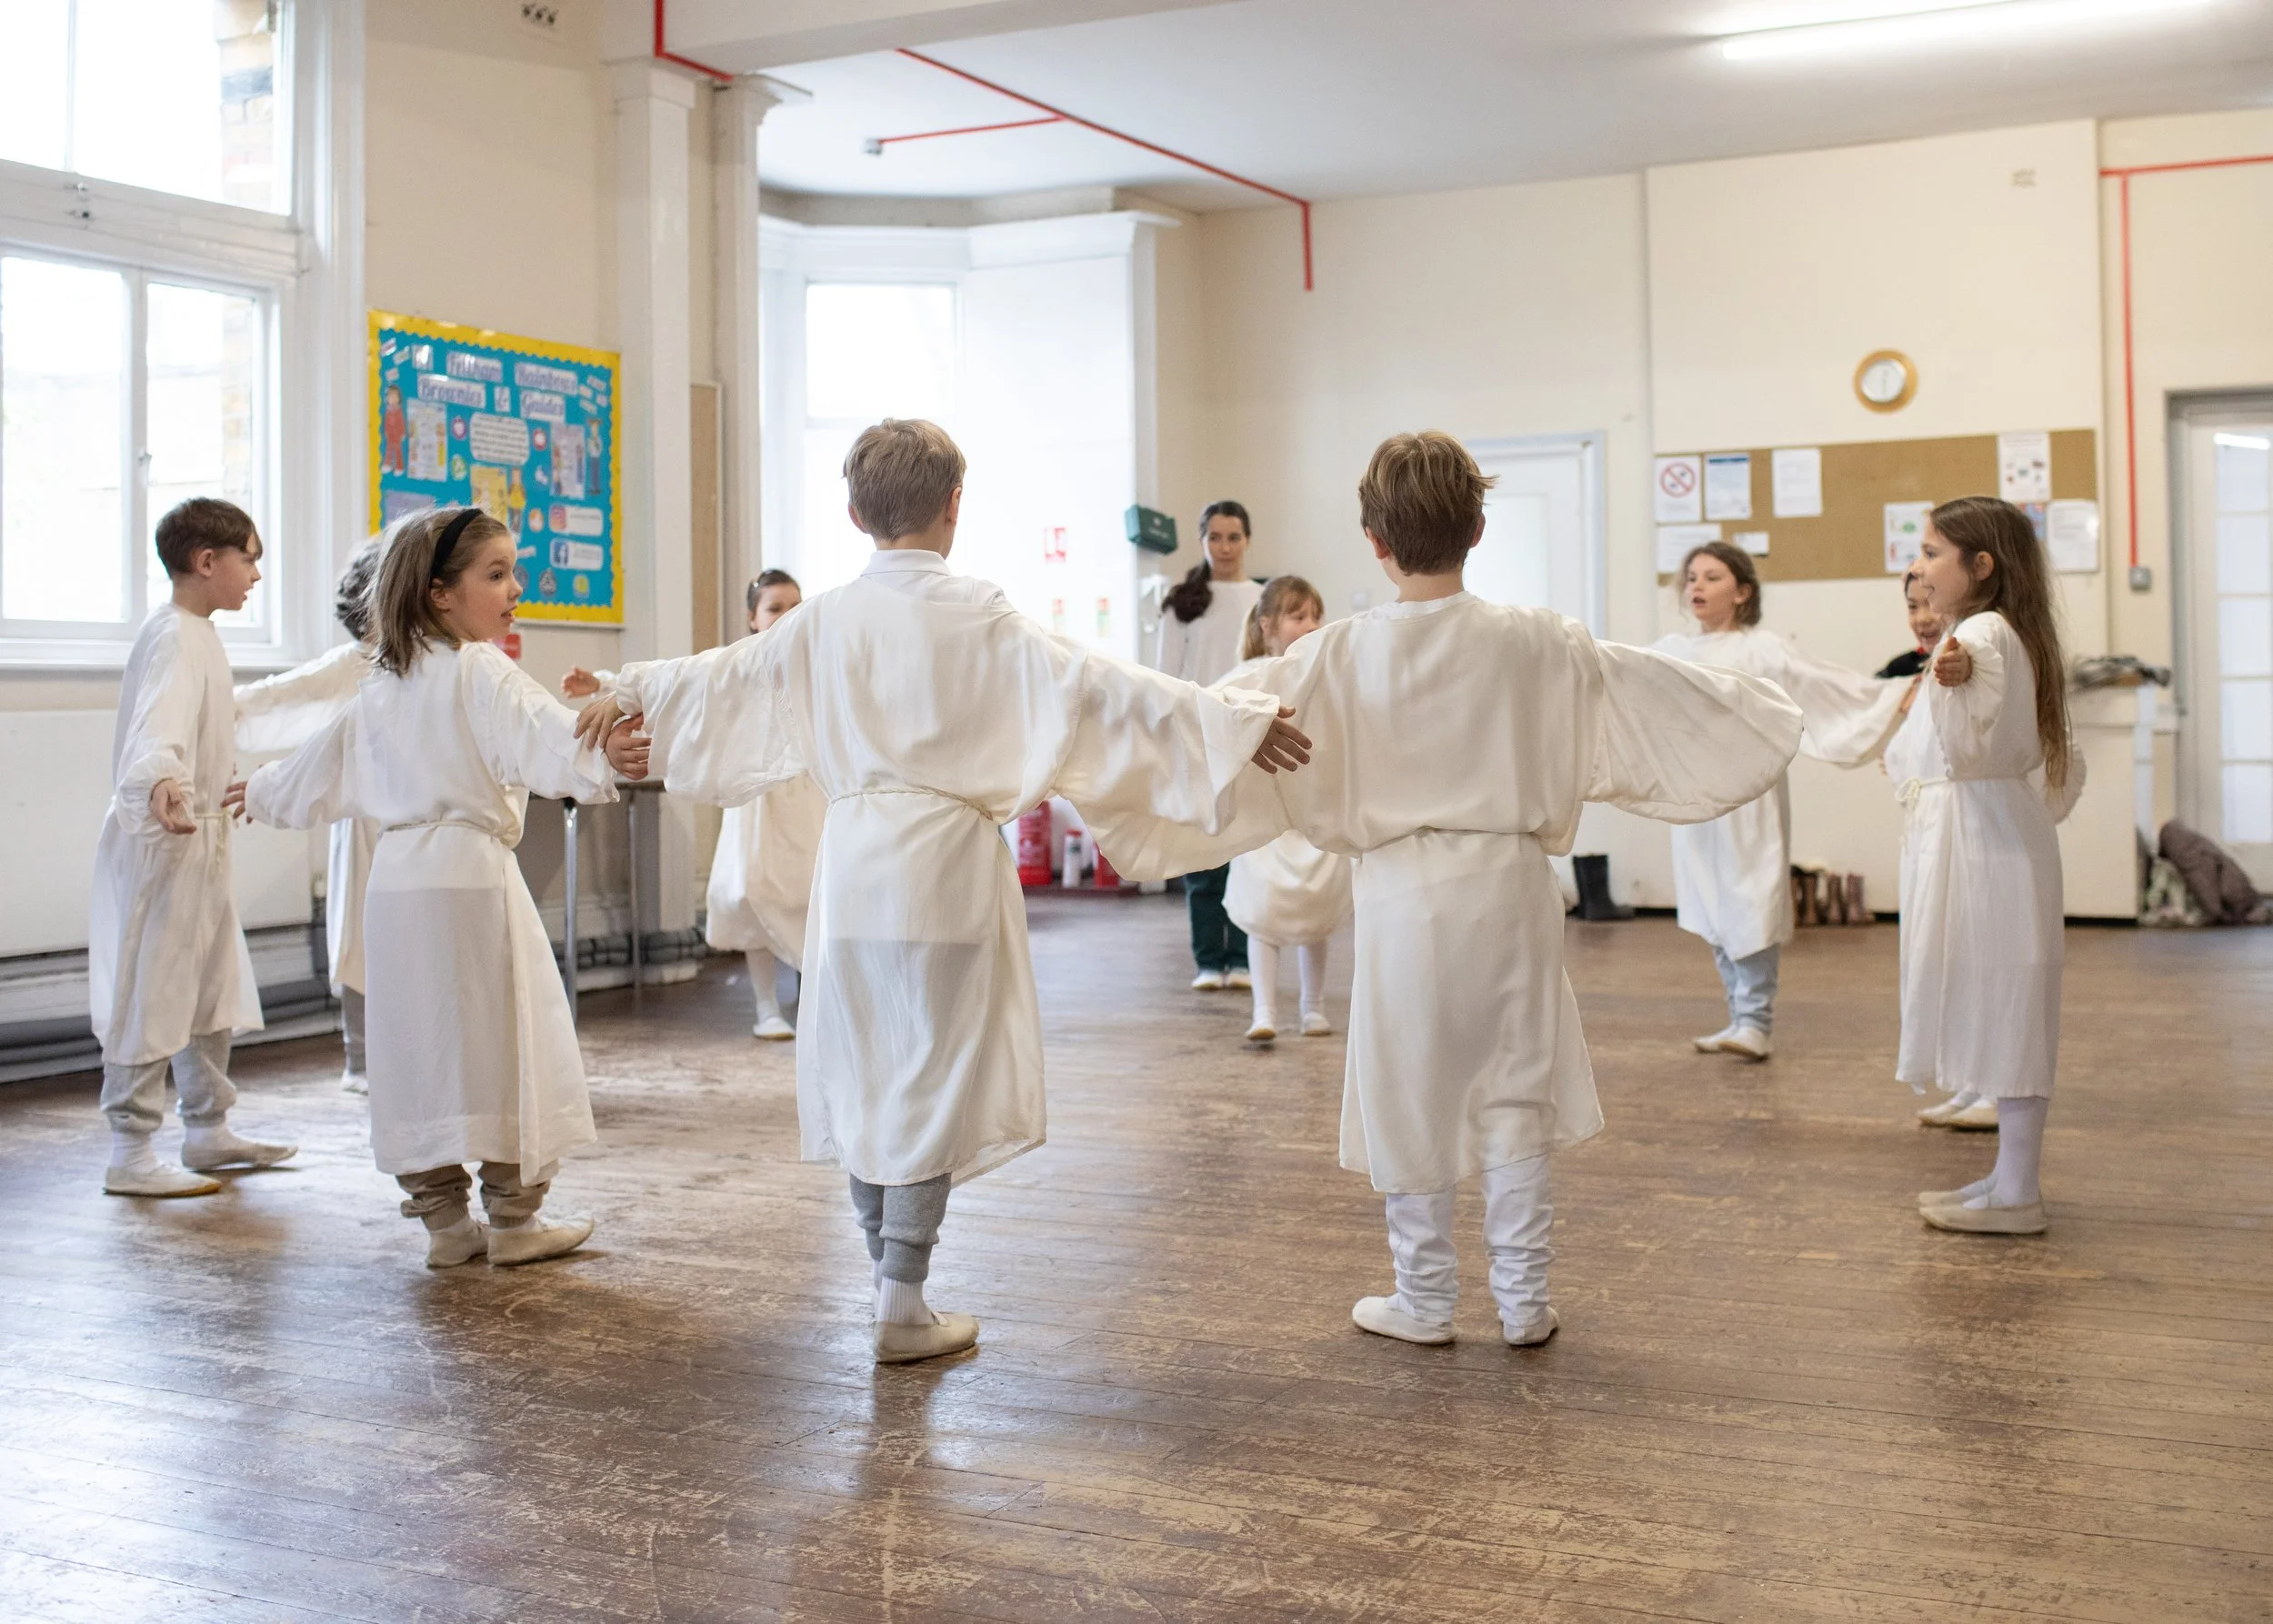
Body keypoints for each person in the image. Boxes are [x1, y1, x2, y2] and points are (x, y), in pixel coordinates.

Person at [576, 419, 1307, 1363]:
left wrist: (627, 688)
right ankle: (901, 1293)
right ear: (956, 507)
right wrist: (1230, 720)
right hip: (951, 868)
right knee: (930, 1072)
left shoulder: (821, 620)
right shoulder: (985, 615)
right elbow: (1113, 690)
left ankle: (891, 1280)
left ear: (852, 513)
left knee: (862, 1067)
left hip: (854, 866)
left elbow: (717, 676)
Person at [1092, 433, 1802, 1348]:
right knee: (1514, 1087)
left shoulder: (1331, 655)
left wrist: (1221, 732)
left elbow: (1205, 712)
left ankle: (1424, 1298)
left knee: (1409, 1087)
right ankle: (1523, 1300)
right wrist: (1773, 718)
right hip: (1511, 888)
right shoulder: (1540, 640)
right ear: (1476, 525)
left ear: (1371, 539)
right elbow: (1659, 694)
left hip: (1402, 894)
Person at [242, 506, 615, 1268]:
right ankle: (515, 1220)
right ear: (441, 593)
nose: (517, 588)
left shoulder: (383, 683)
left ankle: (445, 1225)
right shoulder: (480, 668)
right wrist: (616, 746)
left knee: (418, 1050)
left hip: (399, 884)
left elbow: (315, 773)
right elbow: (553, 742)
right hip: (472, 880)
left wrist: (255, 791)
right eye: (497, 573)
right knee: (509, 1040)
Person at [90, 497, 297, 1198]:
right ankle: (131, 1149)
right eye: (249, 559)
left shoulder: (200, 633)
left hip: (199, 839)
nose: (256, 577)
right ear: (207, 561)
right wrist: (164, 785)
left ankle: (207, 1127)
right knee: (155, 985)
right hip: (167, 841)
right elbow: (157, 727)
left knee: (210, 984)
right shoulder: (174, 636)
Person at [1899, 496, 2083, 1236]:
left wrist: (1959, 675)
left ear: (1981, 566)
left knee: (2007, 1003)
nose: (1918, 565)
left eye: (1933, 552)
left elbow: (1973, 734)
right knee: (2001, 1000)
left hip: (1987, 840)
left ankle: (2020, 1194)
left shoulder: (1980, 632)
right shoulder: (1996, 629)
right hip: (1991, 832)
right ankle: (2010, 1179)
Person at [1652, 542, 1908, 1062]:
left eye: (1714, 577)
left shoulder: (1761, 649)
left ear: (1743, 591)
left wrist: (1889, 696)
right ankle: (1737, 1016)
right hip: (1696, 795)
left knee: (1751, 896)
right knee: (1710, 899)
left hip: (1750, 793)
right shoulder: (1669, 650)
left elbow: (1824, 687)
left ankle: (1755, 1021)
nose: (1697, 586)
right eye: (1693, 577)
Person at [563, 571, 825, 1041]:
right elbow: (686, 681)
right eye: (775, 608)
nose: (787, 616)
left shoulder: (811, 660)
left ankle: (813, 999)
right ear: (752, 617)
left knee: (809, 894)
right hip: (759, 803)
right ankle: (766, 1005)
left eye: (794, 605)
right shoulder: (741, 664)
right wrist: (609, 684)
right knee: (752, 891)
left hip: (807, 799)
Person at [234, 536, 384, 1093]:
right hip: (367, 825)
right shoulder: (356, 664)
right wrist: (214, 710)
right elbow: (284, 698)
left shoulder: (448, 664)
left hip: (420, 830)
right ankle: (363, 1058)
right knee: (361, 937)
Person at [1216, 575, 1349, 1042]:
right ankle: (1265, 1010)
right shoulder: (1248, 676)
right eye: (1299, 616)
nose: (1311, 625)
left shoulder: (1326, 674)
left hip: (1312, 811)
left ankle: (1313, 1007)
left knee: (1315, 913)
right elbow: (1213, 713)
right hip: (1265, 817)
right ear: (1268, 624)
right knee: (1263, 912)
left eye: (1316, 616)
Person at [1881, 574, 1994, 1131]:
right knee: (1946, 955)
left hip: (1967, 825)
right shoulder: (1925, 669)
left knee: (1977, 952)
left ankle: (1994, 1083)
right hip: (1931, 828)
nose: (1922, 616)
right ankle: (1970, 1080)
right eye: (1911, 606)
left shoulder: (1974, 651)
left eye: (1930, 602)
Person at [1150, 500, 1267, 992]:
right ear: (1202, 541)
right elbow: (1163, 679)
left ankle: (1242, 958)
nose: (1224, 547)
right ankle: (1207, 959)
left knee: (1247, 851)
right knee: (1204, 854)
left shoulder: (1263, 599)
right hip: (1196, 738)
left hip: (1249, 736)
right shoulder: (1183, 602)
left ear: (1247, 541)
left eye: (1233, 537)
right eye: (1215, 537)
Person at [1877, 567, 1944, 678]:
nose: (1922, 619)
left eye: (1933, 604)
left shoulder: (1977, 667)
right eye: (1913, 606)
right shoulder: (1898, 670)